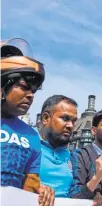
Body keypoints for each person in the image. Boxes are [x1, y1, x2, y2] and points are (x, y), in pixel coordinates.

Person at [0, 38, 54, 206]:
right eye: (23, 87)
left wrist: (40, 190)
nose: (31, 95)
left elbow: (29, 184)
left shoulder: (32, 136)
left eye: (33, 90)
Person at [38, 95, 78, 198]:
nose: (71, 125)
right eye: (65, 118)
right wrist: (34, 187)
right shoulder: (26, 143)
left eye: (74, 121)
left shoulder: (70, 155)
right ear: (46, 118)